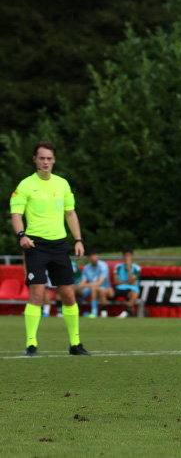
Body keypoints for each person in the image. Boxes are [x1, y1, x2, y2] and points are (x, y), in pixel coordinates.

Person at [9, 141, 90, 356]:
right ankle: (31, 344)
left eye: (49, 158)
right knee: (36, 293)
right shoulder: (25, 185)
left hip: (59, 246)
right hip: (35, 245)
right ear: (34, 159)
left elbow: (70, 214)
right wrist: (21, 235)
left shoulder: (62, 184)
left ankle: (75, 344)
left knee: (68, 295)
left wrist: (79, 239)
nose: (45, 162)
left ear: (54, 160)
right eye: (41, 158)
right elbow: (16, 215)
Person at [77, 248, 111, 317]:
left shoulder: (103, 266)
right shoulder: (86, 267)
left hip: (103, 289)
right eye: (90, 256)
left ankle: (94, 312)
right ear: (88, 257)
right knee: (74, 289)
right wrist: (79, 286)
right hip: (90, 289)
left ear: (97, 255)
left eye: (94, 255)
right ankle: (66, 312)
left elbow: (99, 283)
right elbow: (82, 282)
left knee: (93, 288)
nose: (92, 257)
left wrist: (84, 285)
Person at [112, 248, 141, 317]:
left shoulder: (136, 268)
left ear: (132, 256)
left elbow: (131, 280)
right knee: (104, 291)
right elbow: (115, 281)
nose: (127, 258)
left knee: (134, 295)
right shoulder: (118, 267)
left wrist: (129, 269)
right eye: (125, 256)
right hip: (118, 288)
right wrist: (127, 282)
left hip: (131, 289)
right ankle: (103, 313)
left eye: (129, 255)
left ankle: (124, 313)